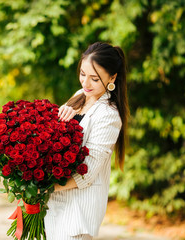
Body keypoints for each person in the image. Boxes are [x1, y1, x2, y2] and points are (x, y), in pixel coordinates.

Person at [44, 42, 129, 240]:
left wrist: (43, 186)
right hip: (53, 206)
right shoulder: (80, 95)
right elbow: (52, 139)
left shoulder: (109, 115)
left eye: (94, 79)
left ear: (112, 77)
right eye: (82, 74)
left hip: (77, 213)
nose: (85, 83)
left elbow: (87, 174)